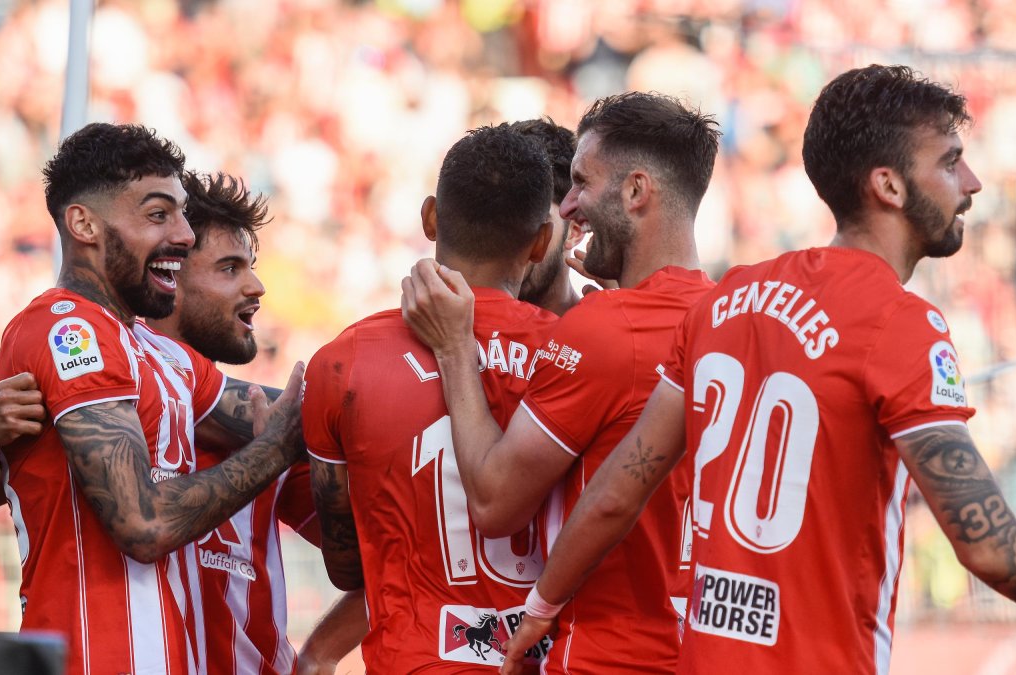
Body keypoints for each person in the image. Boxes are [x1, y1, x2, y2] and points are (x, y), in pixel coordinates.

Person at [501, 64, 1016, 674]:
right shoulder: (903, 325)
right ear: (888, 186)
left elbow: (616, 491)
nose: (971, 182)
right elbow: (990, 549)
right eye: (949, 161)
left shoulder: (727, 301)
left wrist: (539, 609)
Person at [0, 167, 365, 674]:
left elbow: (380, 557)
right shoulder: (90, 375)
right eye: (229, 268)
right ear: (169, 272)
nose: (256, 287)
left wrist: (321, 651)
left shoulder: (242, 415)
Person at [401, 92, 720, 673]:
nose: (567, 205)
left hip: (607, 653)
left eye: (580, 183)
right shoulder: (732, 317)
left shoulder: (607, 328)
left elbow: (495, 502)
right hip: (705, 649)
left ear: (636, 192)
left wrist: (454, 349)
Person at [302, 124, 559, 672]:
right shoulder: (575, 356)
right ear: (541, 241)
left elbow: (347, 568)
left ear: (429, 218)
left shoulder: (343, 362)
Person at [512, 117, 588, 317]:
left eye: (532, 220)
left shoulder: (597, 338)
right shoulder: (449, 325)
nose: (509, 238)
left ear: (574, 231)